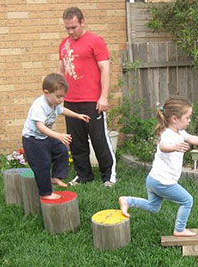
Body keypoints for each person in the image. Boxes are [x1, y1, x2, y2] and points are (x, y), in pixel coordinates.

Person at [118, 96, 198, 237]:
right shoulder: (168, 134)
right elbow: (163, 146)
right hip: (163, 182)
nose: (189, 120)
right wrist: (174, 147)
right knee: (187, 200)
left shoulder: (179, 132)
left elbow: (192, 138)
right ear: (175, 119)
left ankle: (127, 200)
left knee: (153, 207)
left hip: (154, 179)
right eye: (187, 117)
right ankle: (179, 229)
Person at [59, 7, 117, 187]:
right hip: (71, 101)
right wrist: (60, 96)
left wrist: (104, 97)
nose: (70, 31)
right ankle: (83, 175)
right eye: (67, 28)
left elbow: (105, 69)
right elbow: (62, 71)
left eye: (74, 27)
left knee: (99, 139)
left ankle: (109, 176)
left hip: (93, 101)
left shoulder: (95, 41)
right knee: (76, 141)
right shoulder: (64, 44)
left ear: (82, 22)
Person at [22, 73, 90, 200]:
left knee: (62, 150)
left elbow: (63, 110)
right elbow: (40, 127)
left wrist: (77, 115)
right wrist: (58, 135)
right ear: (46, 92)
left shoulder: (54, 103)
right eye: (58, 97)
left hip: (44, 137)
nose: (61, 100)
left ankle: (55, 177)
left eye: (63, 97)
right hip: (32, 140)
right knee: (42, 165)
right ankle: (46, 193)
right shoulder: (39, 106)